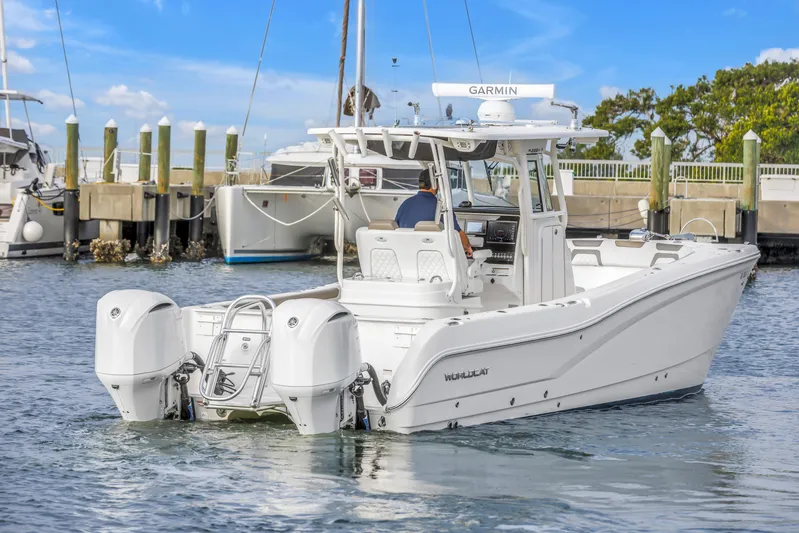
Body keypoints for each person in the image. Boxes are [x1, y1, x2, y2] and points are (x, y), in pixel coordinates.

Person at [394, 168, 474, 257]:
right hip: (433, 260)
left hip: (407, 258)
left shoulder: (405, 204)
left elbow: (397, 230)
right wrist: (468, 248)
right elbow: (457, 234)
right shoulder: (442, 207)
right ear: (435, 184)